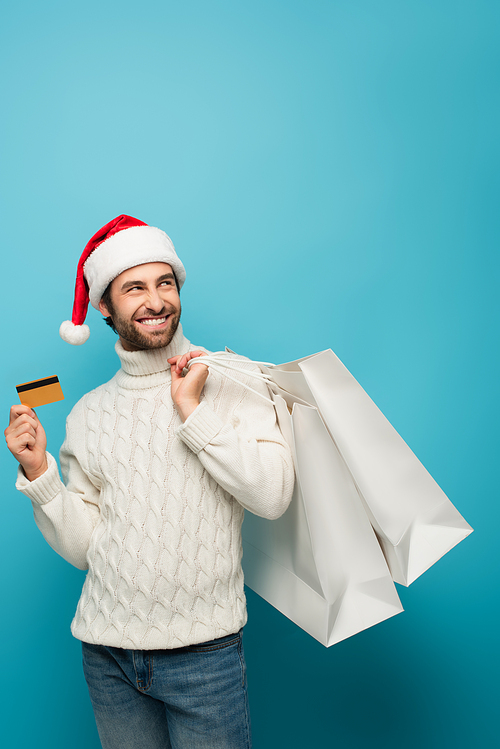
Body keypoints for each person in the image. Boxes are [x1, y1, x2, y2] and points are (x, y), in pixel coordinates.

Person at [4, 214, 295, 749]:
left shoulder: (233, 378)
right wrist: (39, 471)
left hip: (204, 656)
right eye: (134, 288)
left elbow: (273, 497)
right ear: (104, 307)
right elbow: (85, 549)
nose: (155, 301)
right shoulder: (88, 415)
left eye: (165, 283)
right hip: (107, 655)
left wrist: (192, 413)